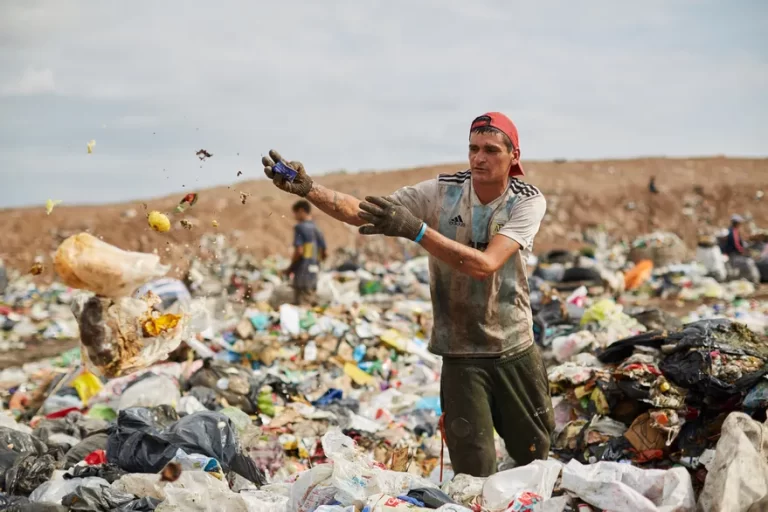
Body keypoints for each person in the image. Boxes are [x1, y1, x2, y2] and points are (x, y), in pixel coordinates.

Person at [262, 112, 554, 476]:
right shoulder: (443, 192)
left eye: (491, 150)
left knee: (535, 458)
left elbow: (485, 265)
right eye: (473, 149)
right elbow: (364, 211)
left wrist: (416, 231)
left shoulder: (526, 200)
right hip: (461, 354)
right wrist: (309, 189)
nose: (479, 158)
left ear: (514, 156)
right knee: (473, 473)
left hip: (513, 348)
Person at [286, 200, 326, 305]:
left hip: (302, 273)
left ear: (301, 211)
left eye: (295, 213)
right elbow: (324, 252)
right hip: (313, 273)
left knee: (301, 307)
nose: (294, 216)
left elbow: (299, 251)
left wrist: (290, 268)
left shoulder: (300, 227)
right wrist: (315, 262)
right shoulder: (317, 229)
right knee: (309, 305)